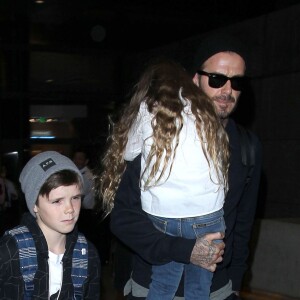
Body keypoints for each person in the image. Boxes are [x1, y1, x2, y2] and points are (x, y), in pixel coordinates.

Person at [104, 32, 263, 300]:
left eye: (236, 82)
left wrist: (234, 284)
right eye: (217, 79)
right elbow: (123, 220)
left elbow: (243, 225)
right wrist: (184, 249)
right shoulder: (161, 135)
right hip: (152, 286)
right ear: (195, 79)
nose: (227, 90)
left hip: (217, 290)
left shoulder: (248, 147)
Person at [99, 58, 230, 300]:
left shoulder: (148, 108)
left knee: (162, 282)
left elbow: (128, 152)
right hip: (207, 214)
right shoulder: (205, 110)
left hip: (162, 216)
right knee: (199, 288)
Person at [0, 151, 101, 299]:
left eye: (75, 198)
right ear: (35, 204)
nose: (70, 209)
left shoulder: (87, 254)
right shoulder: (9, 251)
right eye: (57, 201)